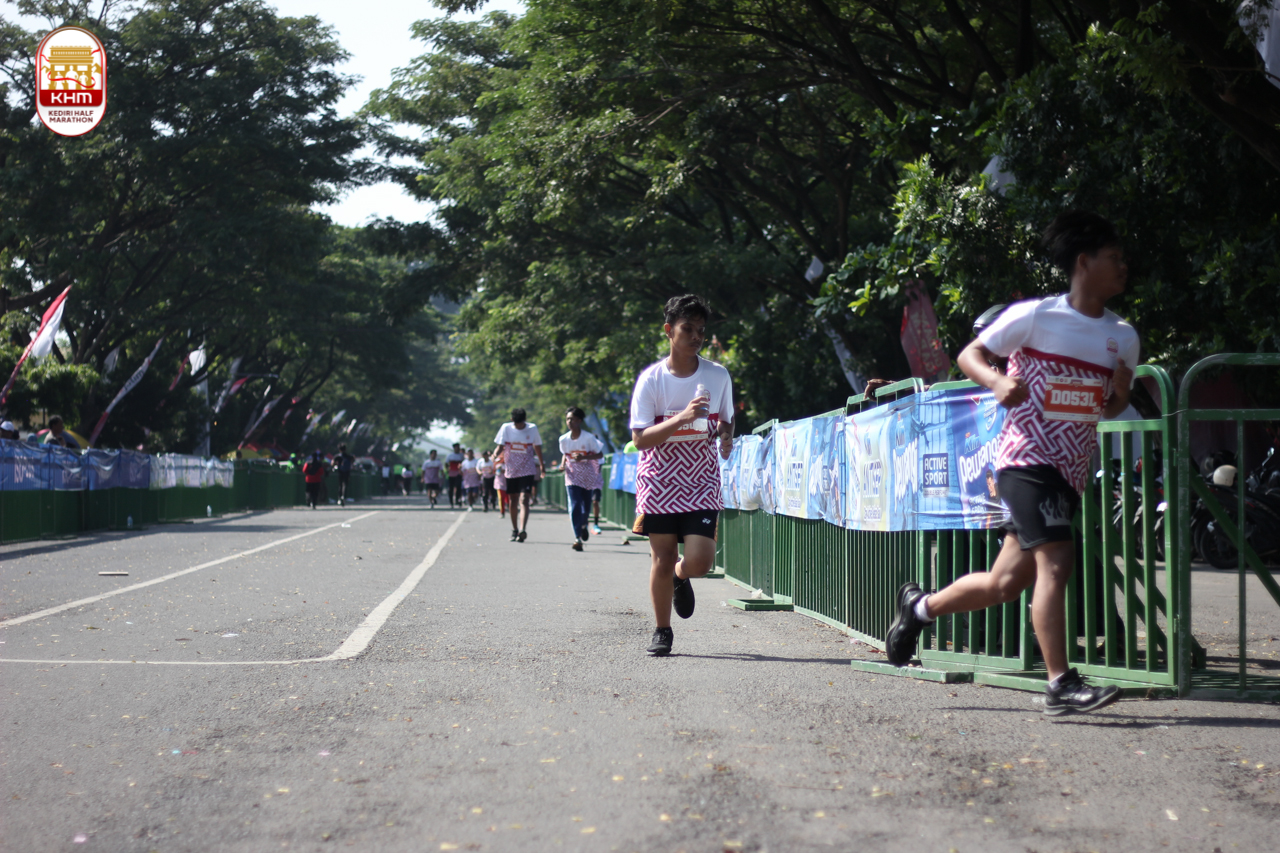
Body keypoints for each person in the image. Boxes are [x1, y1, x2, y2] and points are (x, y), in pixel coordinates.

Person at [884, 210, 1139, 718]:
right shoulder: (1036, 316)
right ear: (1083, 262)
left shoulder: (1122, 336)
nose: (1123, 266)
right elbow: (970, 355)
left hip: (1070, 470)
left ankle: (919, 608)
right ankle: (1060, 684)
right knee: (1057, 562)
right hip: (1026, 460)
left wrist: (1114, 394)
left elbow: (1113, 406)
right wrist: (997, 381)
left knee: (1005, 584)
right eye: (1113, 257)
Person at [629, 294, 735, 656]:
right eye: (687, 328)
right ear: (668, 331)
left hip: (701, 478)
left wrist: (725, 436)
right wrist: (682, 418)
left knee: (701, 561)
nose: (695, 336)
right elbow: (640, 439)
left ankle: (681, 575)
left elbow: (726, 419)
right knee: (661, 557)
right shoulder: (651, 380)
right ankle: (662, 630)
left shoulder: (717, 375)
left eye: (700, 330)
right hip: (659, 479)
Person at [494, 408, 544, 541]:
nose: (519, 426)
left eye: (521, 423)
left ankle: (523, 529)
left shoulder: (532, 428)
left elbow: (537, 447)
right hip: (511, 470)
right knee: (513, 500)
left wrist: (542, 465)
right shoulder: (506, 428)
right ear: (512, 421)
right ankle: (515, 529)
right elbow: (500, 446)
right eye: (517, 424)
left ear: (525, 420)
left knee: (524, 499)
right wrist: (495, 455)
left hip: (527, 469)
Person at [559, 406, 605, 551]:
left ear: (579, 421)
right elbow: (565, 454)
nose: (569, 422)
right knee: (575, 504)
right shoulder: (563, 439)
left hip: (587, 475)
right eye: (567, 419)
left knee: (585, 506)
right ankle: (577, 537)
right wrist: (562, 465)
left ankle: (584, 524)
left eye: (572, 419)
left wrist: (584, 457)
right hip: (572, 475)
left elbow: (600, 455)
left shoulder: (589, 438)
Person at [445, 443, 465, 508]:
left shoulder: (461, 455)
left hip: (458, 474)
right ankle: (451, 502)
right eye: (456, 447)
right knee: (450, 489)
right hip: (451, 474)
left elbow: (463, 463)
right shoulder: (450, 456)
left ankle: (457, 500)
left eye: (458, 447)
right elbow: (446, 464)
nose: (457, 448)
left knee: (458, 487)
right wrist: (448, 470)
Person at [493, 450, 508, 516]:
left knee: (508, 498)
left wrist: (504, 471)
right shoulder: (497, 462)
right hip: (499, 483)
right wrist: (498, 469)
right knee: (501, 498)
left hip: (508, 482)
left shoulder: (510, 462)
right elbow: (493, 471)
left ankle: (510, 508)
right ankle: (502, 511)